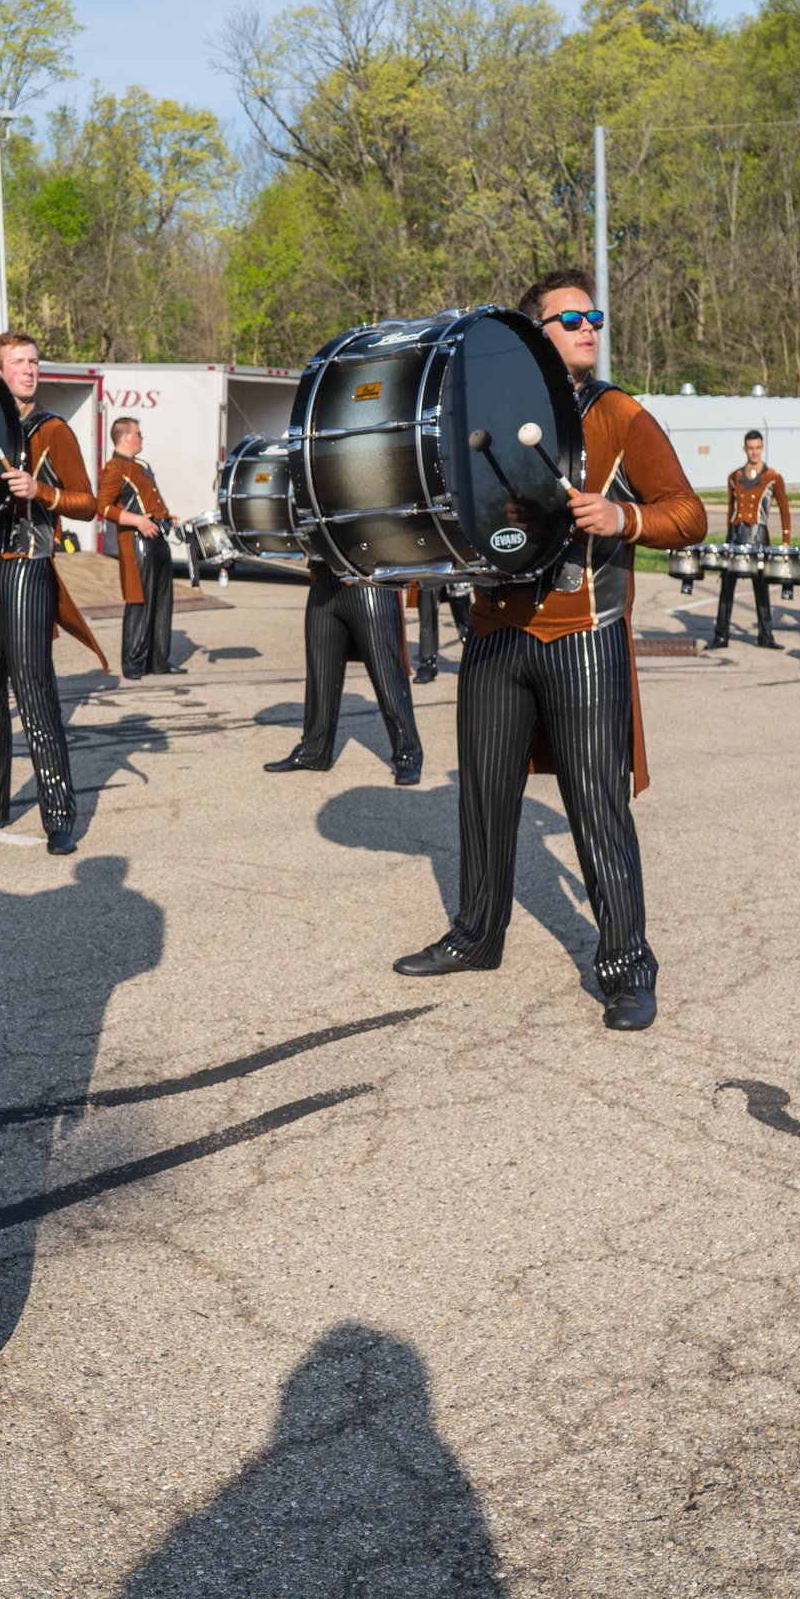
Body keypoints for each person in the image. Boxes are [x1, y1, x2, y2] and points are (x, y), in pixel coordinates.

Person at [390, 268, 707, 1032]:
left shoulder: (619, 413)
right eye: (569, 320)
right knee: (484, 795)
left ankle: (628, 965)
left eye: (593, 315)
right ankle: (477, 934)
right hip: (497, 632)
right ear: (534, 335)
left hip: (583, 634)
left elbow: (689, 515)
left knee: (596, 803)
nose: (588, 327)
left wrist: (622, 517)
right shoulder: (487, 411)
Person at [0, 330, 107, 855]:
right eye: (18, 362)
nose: (29, 369)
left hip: (27, 567)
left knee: (35, 692)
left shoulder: (52, 428)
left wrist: (42, 491)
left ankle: (59, 813)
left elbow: (89, 504)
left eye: (34, 361)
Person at [265, 562, 423, 784]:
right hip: (324, 578)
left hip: (368, 577)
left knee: (388, 676)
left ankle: (408, 756)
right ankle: (314, 750)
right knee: (320, 674)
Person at [98, 416, 174, 677]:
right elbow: (103, 506)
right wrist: (138, 521)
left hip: (157, 535)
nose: (142, 438)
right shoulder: (114, 467)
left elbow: (150, 500)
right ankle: (133, 662)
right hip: (137, 540)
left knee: (162, 600)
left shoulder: (141, 465)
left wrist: (165, 516)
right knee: (139, 601)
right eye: (139, 433)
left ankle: (158, 661)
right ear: (127, 437)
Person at [713, 430, 790, 649]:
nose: (754, 452)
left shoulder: (772, 477)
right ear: (744, 449)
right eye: (750, 448)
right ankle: (721, 635)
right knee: (727, 585)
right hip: (737, 534)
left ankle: (766, 636)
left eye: (757, 448)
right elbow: (730, 509)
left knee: (761, 586)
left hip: (759, 535)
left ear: (762, 448)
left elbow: (785, 509)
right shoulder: (734, 476)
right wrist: (728, 538)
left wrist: (785, 539)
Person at [412, 581, 470, 683]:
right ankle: (427, 664)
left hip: (456, 571)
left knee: (464, 616)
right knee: (427, 611)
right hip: (428, 570)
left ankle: (478, 659)